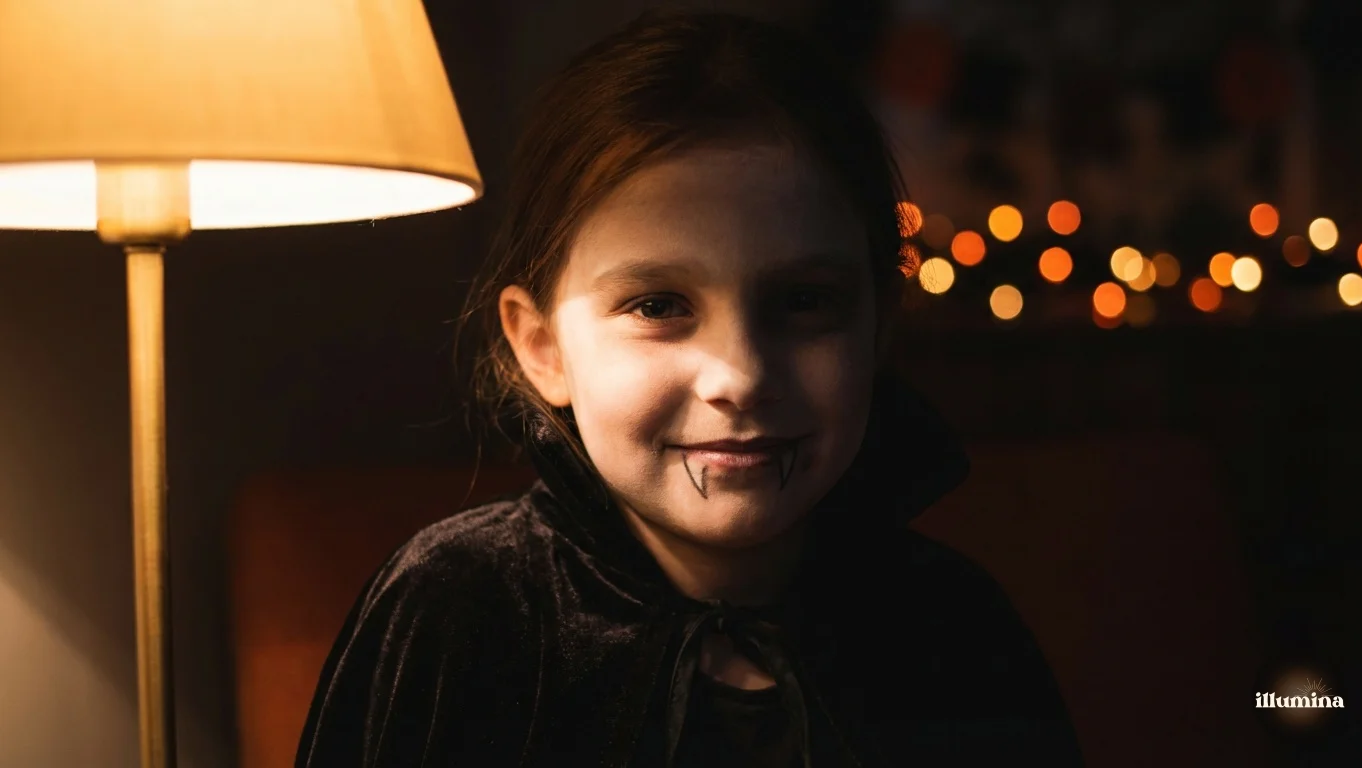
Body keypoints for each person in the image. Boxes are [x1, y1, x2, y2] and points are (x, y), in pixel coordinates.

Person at [296, 9, 1082, 767]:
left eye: (804, 302)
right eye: (659, 306)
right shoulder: (457, 615)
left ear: (879, 325)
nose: (740, 376)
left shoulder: (952, 630)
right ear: (542, 347)